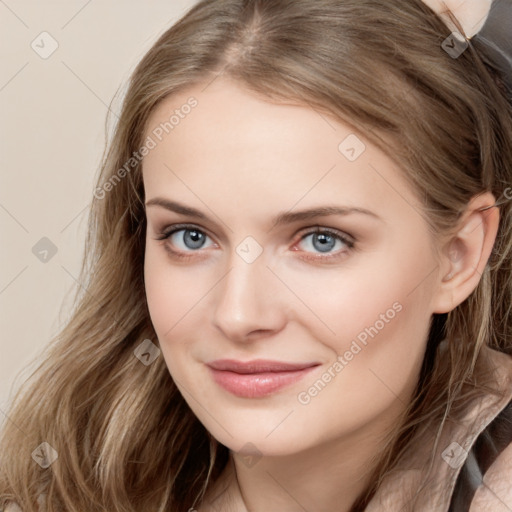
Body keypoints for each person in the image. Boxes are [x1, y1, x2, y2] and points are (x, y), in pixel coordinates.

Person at [1, 0, 511, 511]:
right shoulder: (55, 489)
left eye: (321, 240)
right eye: (190, 236)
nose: (237, 315)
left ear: (457, 256)